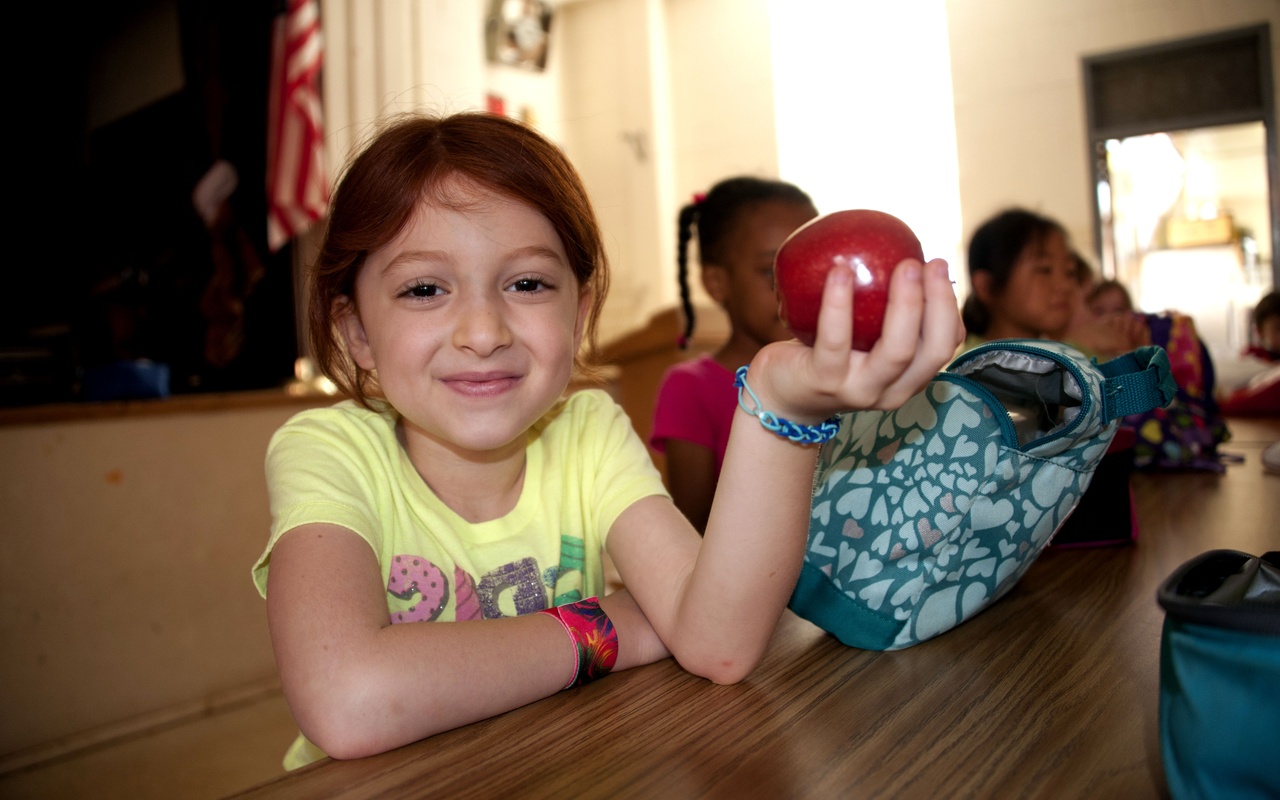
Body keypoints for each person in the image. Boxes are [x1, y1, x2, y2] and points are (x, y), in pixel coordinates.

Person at [251, 113, 963, 769]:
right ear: (354, 333)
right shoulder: (327, 449)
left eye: (527, 283)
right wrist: (623, 624)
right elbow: (349, 701)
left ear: (579, 310)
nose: (483, 331)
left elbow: (716, 643)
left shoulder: (586, 429)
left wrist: (779, 400)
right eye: (424, 290)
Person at [650, 177, 818, 532]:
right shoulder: (690, 388)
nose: (800, 287)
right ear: (717, 283)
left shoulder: (837, 373)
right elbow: (694, 531)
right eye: (773, 272)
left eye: (814, 267)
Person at [961, 209, 1144, 357]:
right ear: (986, 287)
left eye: (1069, 272)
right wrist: (1071, 349)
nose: (1064, 285)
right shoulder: (972, 367)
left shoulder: (1078, 348)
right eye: (1044, 270)